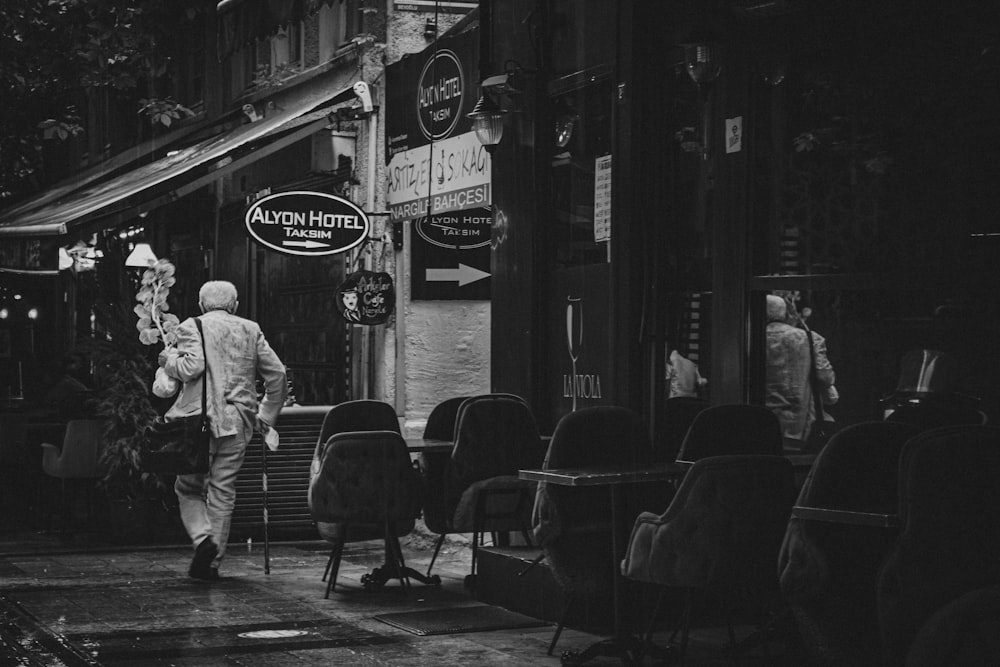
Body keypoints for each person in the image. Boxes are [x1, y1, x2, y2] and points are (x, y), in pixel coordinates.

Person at [160, 280, 287, 580]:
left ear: (202, 305)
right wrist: (266, 415)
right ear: (235, 305)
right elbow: (277, 374)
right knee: (222, 490)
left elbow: (192, 367)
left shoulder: (192, 326)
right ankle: (212, 562)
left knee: (187, 487)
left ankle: (203, 539)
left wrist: (169, 361)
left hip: (197, 423)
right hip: (238, 422)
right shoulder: (250, 329)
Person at [764, 294, 837, 450]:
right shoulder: (810, 338)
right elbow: (824, 376)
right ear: (786, 313)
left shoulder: (749, 338)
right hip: (799, 424)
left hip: (761, 423)